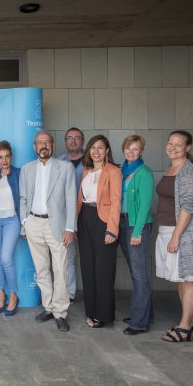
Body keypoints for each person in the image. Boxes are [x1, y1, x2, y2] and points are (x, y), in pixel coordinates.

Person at [19, 131, 76, 332]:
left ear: (52, 145)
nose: (44, 145)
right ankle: (49, 307)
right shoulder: (27, 169)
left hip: (58, 226)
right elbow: (23, 198)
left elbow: (71, 200)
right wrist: (25, 222)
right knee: (42, 269)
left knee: (60, 270)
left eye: (47, 142)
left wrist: (70, 228)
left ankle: (61, 312)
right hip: (34, 223)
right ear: (35, 147)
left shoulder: (65, 168)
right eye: (40, 143)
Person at [157, 130, 193, 343]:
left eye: (179, 144)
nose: (173, 147)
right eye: (170, 143)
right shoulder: (172, 168)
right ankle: (192, 322)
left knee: (188, 280)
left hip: (183, 234)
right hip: (167, 230)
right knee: (180, 279)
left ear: (187, 148)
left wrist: (176, 236)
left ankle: (185, 328)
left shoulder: (187, 171)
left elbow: (189, 205)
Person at [77, 135, 122, 329]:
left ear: (107, 151)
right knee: (87, 269)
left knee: (103, 270)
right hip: (85, 218)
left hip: (103, 221)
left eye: (101, 147)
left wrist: (112, 230)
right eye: (93, 147)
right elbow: (80, 199)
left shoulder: (113, 171)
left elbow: (116, 201)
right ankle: (91, 312)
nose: (96, 151)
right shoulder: (86, 171)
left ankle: (104, 315)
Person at [118, 135, 154, 335]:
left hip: (136, 226)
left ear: (141, 151)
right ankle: (145, 313)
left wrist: (138, 231)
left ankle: (139, 322)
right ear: (124, 150)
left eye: (136, 149)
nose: (131, 152)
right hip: (123, 223)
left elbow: (145, 206)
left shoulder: (144, 172)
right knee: (136, 272)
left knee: (139, 274)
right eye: (128, 149)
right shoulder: (123, 170)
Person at [0, 140, 22, 316]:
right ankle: (1, 293)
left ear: (11, 156)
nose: (4, 160)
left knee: (7, 258)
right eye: (1, 157)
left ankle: (14, 295)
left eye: (7, 156)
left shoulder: (19, 174)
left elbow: (25, 198)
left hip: (12, 220)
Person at [58, 127, 85, 303]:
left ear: (82, 141)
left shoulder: (92, 160)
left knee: (90, 256)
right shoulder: (57, 162)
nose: (73, 141)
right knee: (68, 256)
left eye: (77, 138)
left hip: (88, 215)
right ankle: (69, 294)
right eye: (69, 138)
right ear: (65, 141)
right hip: (65, 216)